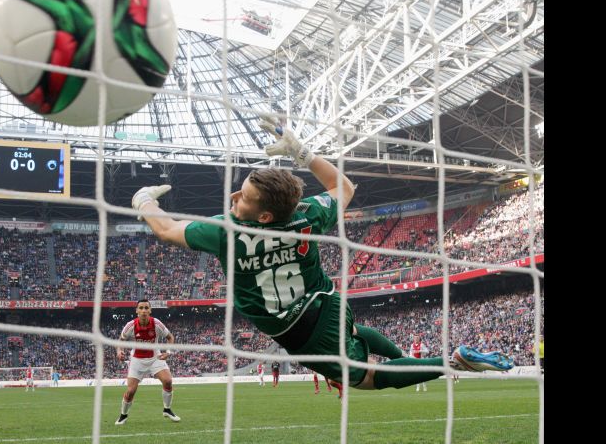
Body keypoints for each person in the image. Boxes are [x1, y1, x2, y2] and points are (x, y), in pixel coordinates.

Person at [130, 116, 515, 391]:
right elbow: (343, 186)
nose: (233, 198)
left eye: (243, 197)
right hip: (329, 303)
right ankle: (405, 359)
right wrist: (302, 152)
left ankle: (454, 361)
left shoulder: (226, 232)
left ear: (264, 215)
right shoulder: (307, 214)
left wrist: (144, 200)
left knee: (365, 380)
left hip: (299, 331)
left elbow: (164, 229)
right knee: (355, 334)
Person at [115, 299, 180, 425]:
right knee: (131, 391)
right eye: (141, 308)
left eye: (146, 308)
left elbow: (170, 337)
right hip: (137, 361)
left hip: (155, 358)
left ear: (150, 310)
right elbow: (120, 341)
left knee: (168, 381)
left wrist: (168, 352)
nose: (144, 310)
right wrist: (119, 351)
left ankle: (167, 409)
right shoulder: (130, 326)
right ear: (136, 311)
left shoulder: (156, 324)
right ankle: (123, 415)